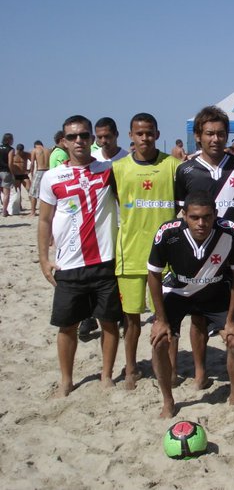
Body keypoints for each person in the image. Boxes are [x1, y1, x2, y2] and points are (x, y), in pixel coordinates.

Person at [37, 115, 121, 396]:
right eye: (72, 137)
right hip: (69, 265)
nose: (79, 141)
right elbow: (44, 220)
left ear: (92, 138)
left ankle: (106, 374)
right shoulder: (52, 177)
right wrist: (43, 259)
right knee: (67, 325)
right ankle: (66, 379)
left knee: (108, 322)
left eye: (84, 135)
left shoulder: (108, 171)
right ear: (64, 141)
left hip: (105, 261)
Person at [148, 191, 234, 418]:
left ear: (215, 214)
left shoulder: (230, 232)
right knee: (159, 341)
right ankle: (168, 401)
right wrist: (160, 319)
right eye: (194, 217)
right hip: (179, 290)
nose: (201, 223)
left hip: (215, 290)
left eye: (207, 217)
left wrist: (231, 320)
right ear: (184, 215)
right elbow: (153, 274)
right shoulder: (168, 233)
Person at [174, 105, 234, 384]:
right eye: (209, 133)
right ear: (198, 136)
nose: (215, 139)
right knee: (198, 317)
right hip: (199, 256)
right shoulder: (186, 170)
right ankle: (200, 371)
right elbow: (180, 214)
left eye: (220, 133)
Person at [112, 113, 181, 390]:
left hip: (166, 257)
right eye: (139, 133)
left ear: (157, 134)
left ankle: (171, 369)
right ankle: (131, 367)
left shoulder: (173, 165)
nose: (144, 138)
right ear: (130, 135)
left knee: (167, 318)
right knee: (131, 318)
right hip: (130, 254)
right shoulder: (118, 168)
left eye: (149, 133)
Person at [77, 118, 130, 340]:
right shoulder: (93, 159)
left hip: (121, 222)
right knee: (92, 271)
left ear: (116, 135)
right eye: (99, 137)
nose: (103, 141)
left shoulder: (127, 158)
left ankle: (120, 311)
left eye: (107, 136)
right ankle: (88, 316)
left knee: (116, 270)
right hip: (96, 224)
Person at [29, 140, 50, 216]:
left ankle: (33, 212)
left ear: (35, 145)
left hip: (40, 171)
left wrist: (31, 173)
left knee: (33, 192)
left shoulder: (34, 150)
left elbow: (32, 164)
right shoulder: (48, 150)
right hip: (48, 171)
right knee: (46, 192)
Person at [11, 143, 30, 209]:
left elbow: (33, 160)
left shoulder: (26, 154)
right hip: (16, 175)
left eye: (21, 151)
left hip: (24, 175)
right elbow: (9, 163)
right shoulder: (13, 155)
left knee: (29, 189)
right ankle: (19, 206)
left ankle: (33, 204)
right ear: (17, 150)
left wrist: (29, 170)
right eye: (19, 151)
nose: (20, 153)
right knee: (18, 191)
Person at [0, 133, 15, 217]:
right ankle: (4, 211)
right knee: (6, 193)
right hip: (6, 172)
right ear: (9, 140)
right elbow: (10, 163)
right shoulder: (11, 149)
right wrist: (12, 173)